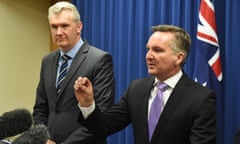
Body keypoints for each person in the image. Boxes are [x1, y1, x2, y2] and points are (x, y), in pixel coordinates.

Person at [74, 25, 216, 144]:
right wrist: (88, 104)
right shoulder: (136, 89)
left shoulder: (201, 98)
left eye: (157, 50)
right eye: (148, 49)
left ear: (178, 58)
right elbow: (104, 127)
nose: (149, 56)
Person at [32, 1, 115, 144]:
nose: (58, 32)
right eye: (54, 26)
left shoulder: (99, 59)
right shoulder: (47, 60)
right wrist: (44, 139)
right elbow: (40, 108)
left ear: (78, 27)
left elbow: (102, 114)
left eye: (64, 26)